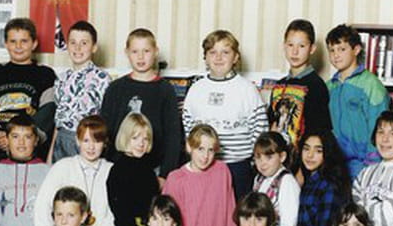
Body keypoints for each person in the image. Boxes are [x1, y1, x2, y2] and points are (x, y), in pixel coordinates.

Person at [182, 30, 268, 200]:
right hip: (204, 165)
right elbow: (188, 126)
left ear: (235, 57)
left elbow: (260, 129)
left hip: (237, 167)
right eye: (213, 52)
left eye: (225, 52)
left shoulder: (247, 89)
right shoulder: (197, 89)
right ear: (206, 58)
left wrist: (252, 162)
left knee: (237, 212)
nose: (218, 58)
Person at [100, 28, 182, 182]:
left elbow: (173, 137)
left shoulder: (165, 90)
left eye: (146, 51)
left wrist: (165, 174)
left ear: (156, 52)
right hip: (117, 166)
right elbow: (105, 130)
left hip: (153, 168)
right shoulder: (115, 88)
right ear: (127, 53)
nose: (140, 57)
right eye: (135, 51)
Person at [0, 17, 56, 163]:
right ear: (6, 44)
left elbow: (48, 111)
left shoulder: (45, 75)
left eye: (24, 41)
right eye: (13, 41)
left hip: (28, 151)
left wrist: (22, 138)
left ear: (34, 44)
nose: (18, 46)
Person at [35, 114, 115, 226]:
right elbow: (42, 208)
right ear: (77, 141)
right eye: (86, 140)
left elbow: (112, 216)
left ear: (104, 143)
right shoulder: (62, 167)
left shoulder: (112, 170)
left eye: (97, 141)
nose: (91, 147)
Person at [325, 24, 390, 179]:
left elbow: (379, 126)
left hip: (364, 163)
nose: (336, 55)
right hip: (335, 163)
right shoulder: (329, 87)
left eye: (342, 49)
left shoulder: (371, 84)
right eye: (332, 50)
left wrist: (372, 163)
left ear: (356, 49)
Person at [107, 113, 160, 226]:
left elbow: (154, 206)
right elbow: (120, 214)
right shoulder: (118, 170)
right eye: (135, 138)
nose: (141, 143)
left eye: (145, 139)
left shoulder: (148, 171)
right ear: (125, 138)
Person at [49, 20, 111, 163]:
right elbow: (58, 122)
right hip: (61, 142)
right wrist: (50, 153)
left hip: (87, 143)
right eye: (73, 42)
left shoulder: (102, 79)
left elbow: (105, 120)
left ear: (94, 47)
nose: (78, 48)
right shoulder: (61, 79)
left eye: (84, 43)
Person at [268, 19, 332, 148]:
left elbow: (320, 130)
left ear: (312, 49)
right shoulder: (279, 85)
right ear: (284, 46)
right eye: (290, 45)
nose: (295, 51)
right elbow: (271, 122)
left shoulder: (316, 86)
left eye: (301, 46)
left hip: (302, 154)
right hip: (278, 154)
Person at [252, 131, 301, 226]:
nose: (262, 163)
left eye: (269, 157)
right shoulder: (259, 179)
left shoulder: (287, 182)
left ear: (282, 157)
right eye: (258, 157)